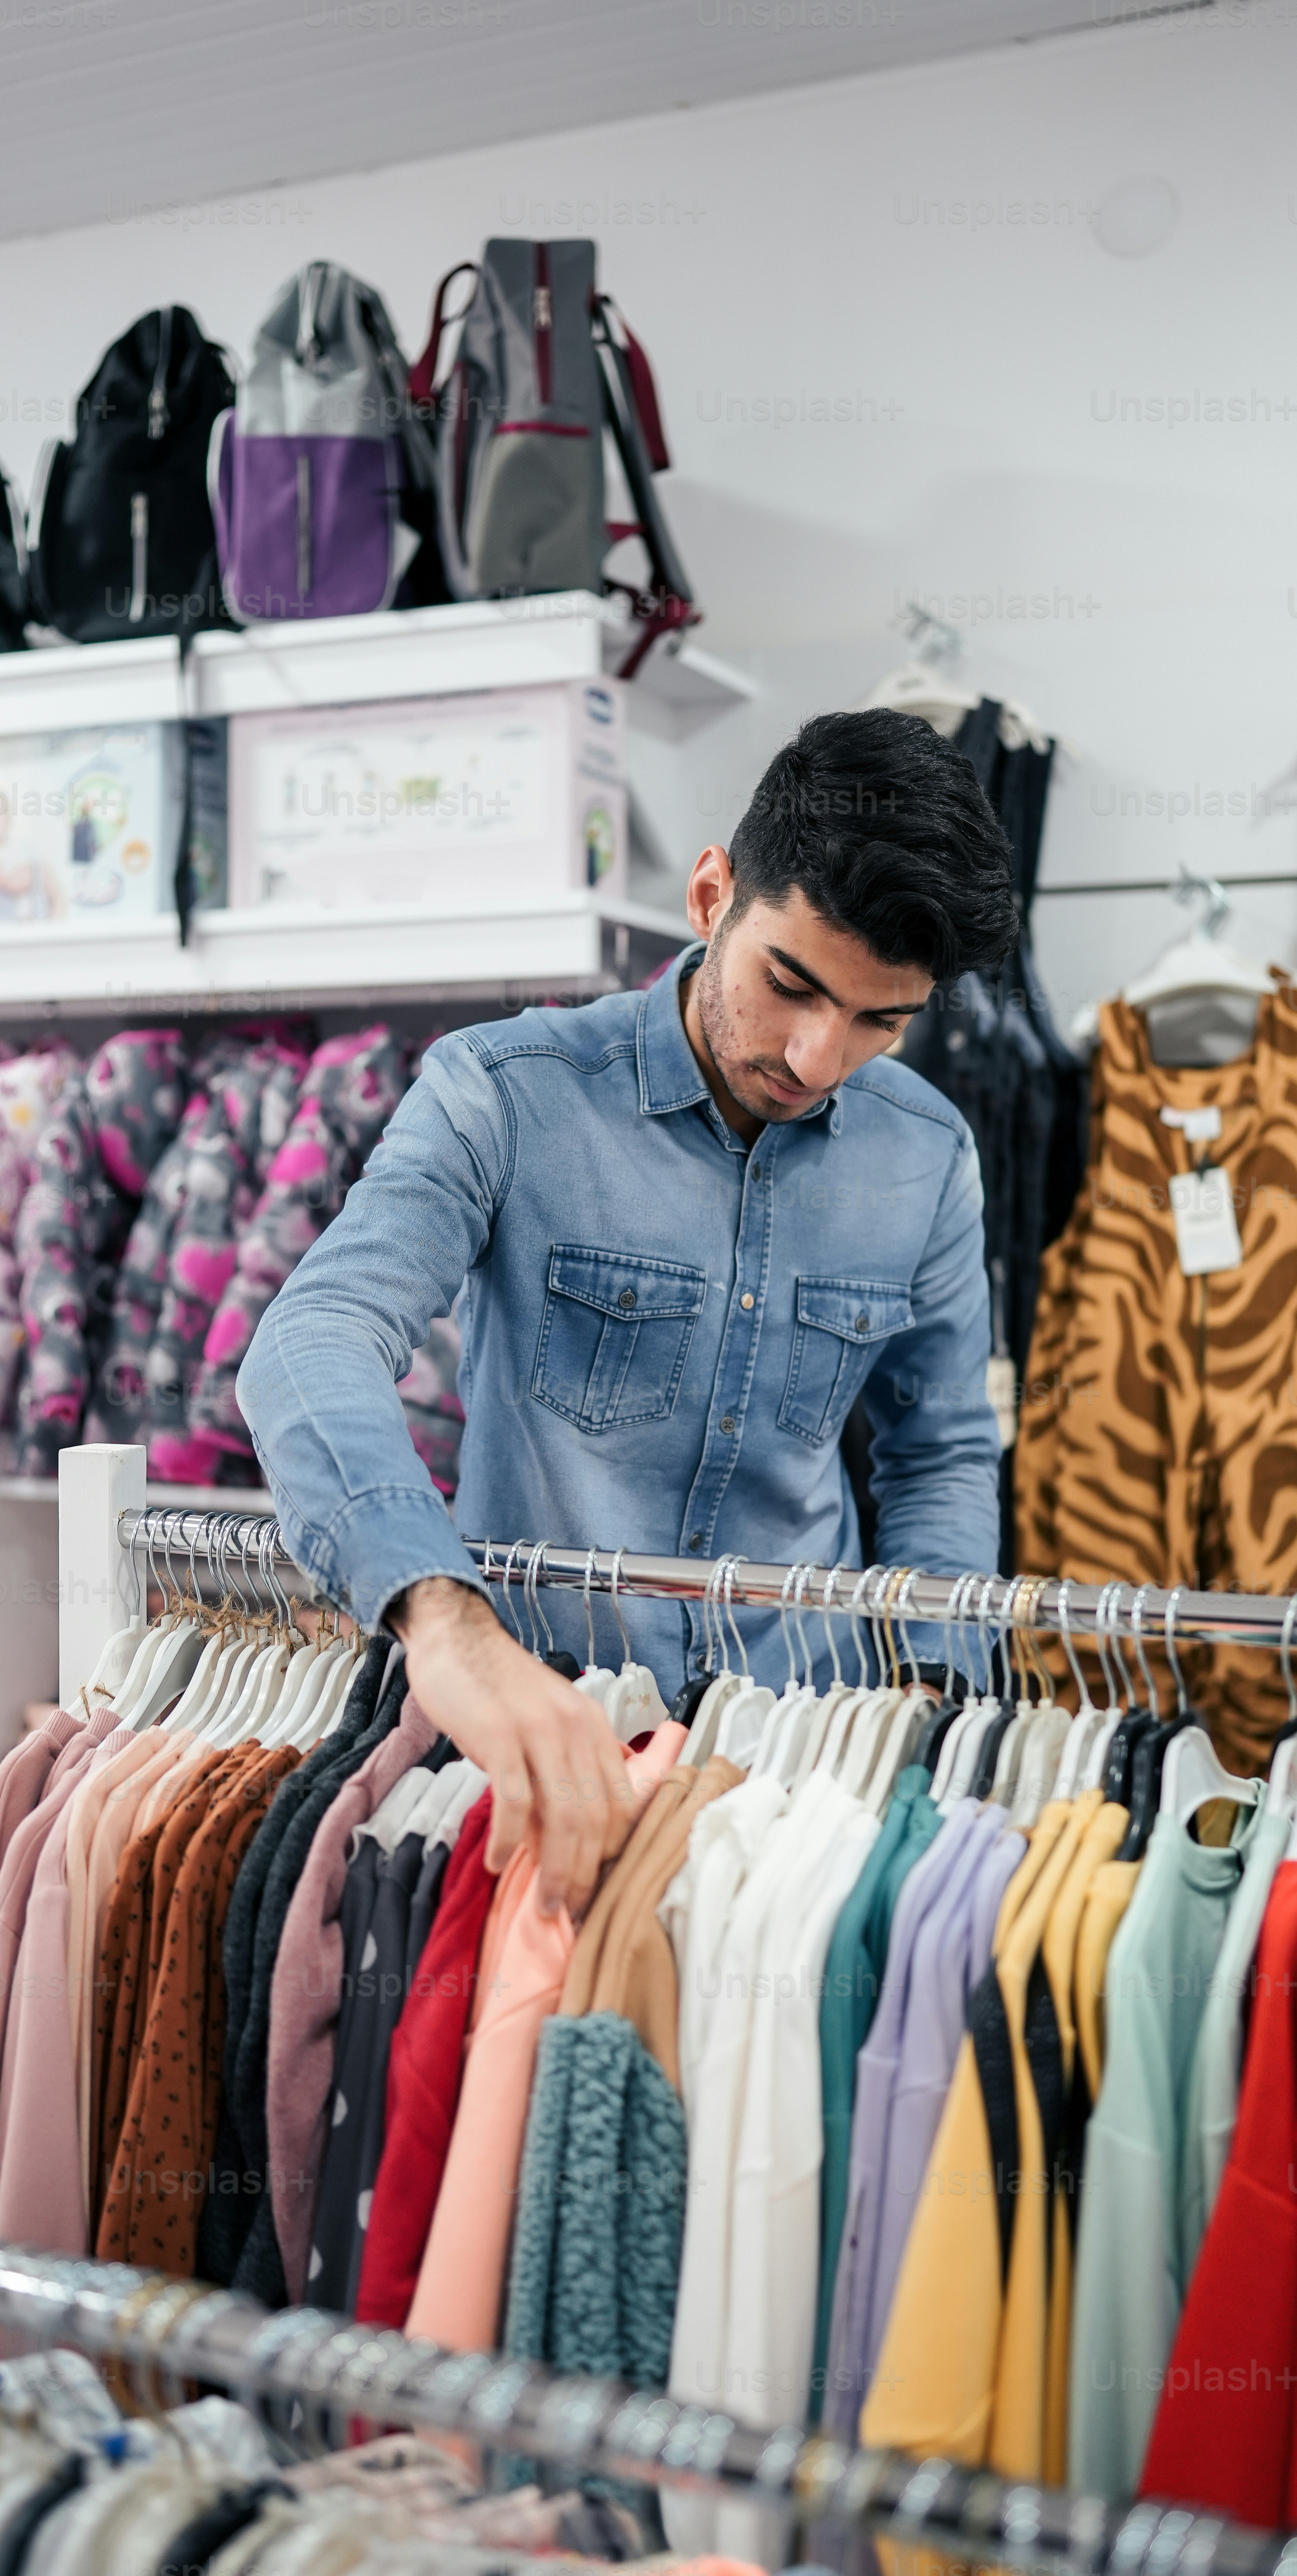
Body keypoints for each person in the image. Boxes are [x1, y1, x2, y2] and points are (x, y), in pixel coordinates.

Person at [240, 709, 1016, 1915]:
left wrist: (929, 1696)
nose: (817, 1058)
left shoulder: (928, 1155)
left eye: (879, 1021)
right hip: (543, 1752)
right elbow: (312, 1340)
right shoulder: (504, 1091)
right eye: (792, 985)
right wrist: (444, 1626)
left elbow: (942, 1453)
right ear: (712, 895)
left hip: (808, 1775)